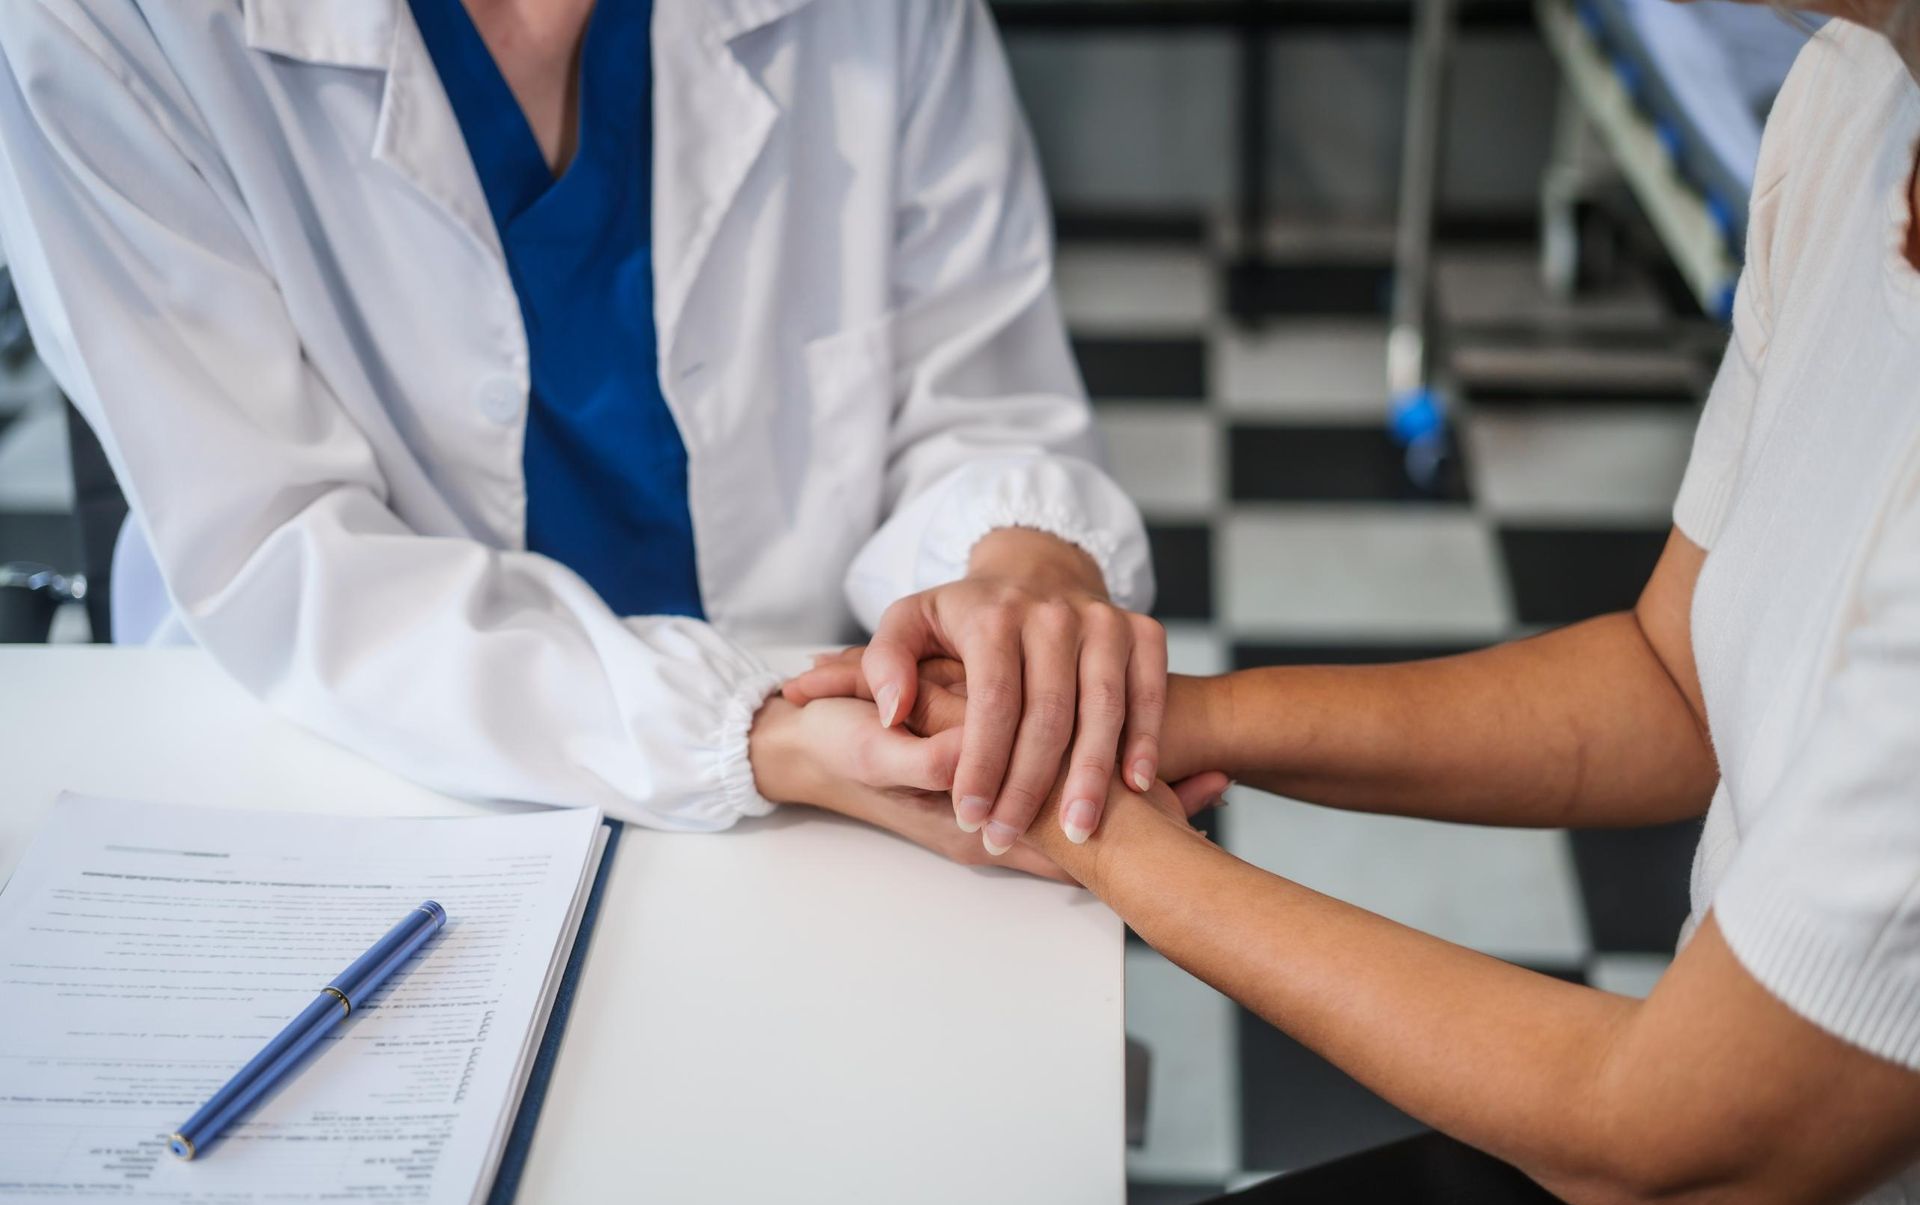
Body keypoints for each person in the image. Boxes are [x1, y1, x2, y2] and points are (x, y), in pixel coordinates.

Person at [788, 4, 1920, 1205]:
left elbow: (1680, 1142)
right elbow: (1677, 678)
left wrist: (1085, 814)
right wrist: (1150, 715)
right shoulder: (1854, 103)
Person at [0, 0, 1167, 857]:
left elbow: (976, 391)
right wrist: (746, 726)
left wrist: (1022, 568)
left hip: (837, 778)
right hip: (357, 777)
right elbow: (283, 556)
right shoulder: (105, 24)